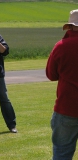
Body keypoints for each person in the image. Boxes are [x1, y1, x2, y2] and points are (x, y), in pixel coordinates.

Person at [46, 9, 78, 160]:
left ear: (71, 26)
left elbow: (51, 75)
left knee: (62, 154)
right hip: (67, 109)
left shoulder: (61, 46)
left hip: (67, 108)